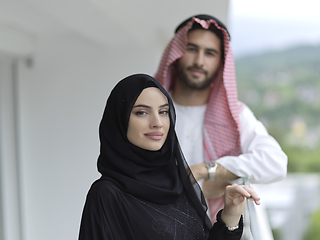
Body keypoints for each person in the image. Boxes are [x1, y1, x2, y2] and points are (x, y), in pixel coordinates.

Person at [78, 73, 260, 240]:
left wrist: (231, 215)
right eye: (141, 112)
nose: (157, 123)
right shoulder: (106, 195)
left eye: (163, 112)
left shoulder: (178, 184)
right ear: (120, 119)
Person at [154, 14, 287, 221]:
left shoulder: (235, 115)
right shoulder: (151, 111)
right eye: (191, 49)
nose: (199, 61)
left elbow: (276, 163)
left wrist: (205, 171)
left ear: (220, 62)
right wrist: (195, 189)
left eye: (210, 53)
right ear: (177, 53)